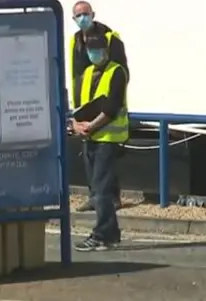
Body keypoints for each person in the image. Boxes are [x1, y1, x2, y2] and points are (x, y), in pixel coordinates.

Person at [70, 33, 129, 251]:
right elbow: (79, 107)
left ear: (106, 50)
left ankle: (102, 234)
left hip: (108, 139)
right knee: (97, 190)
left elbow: (111, 108)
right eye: (91, 50)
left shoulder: (117, 72)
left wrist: (90, 126)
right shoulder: (86, 73)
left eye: (99, 50)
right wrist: (76, 125)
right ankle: (110, 233)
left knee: (102, 190)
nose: (95, 54)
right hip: (90, 139)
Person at [70, 0, 128, 212]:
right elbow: (78, 76)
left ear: (92, 14)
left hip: (106, 113)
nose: (83, 18)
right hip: (86, 111)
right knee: (92, 164)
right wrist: (77, 118)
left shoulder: (110, 38)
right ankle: (96, 199)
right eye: (78, 15)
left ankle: (106, 210)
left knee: (104, 168)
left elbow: (118, 75)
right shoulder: (75, 41)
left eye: (86, 13)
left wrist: (95, 120)